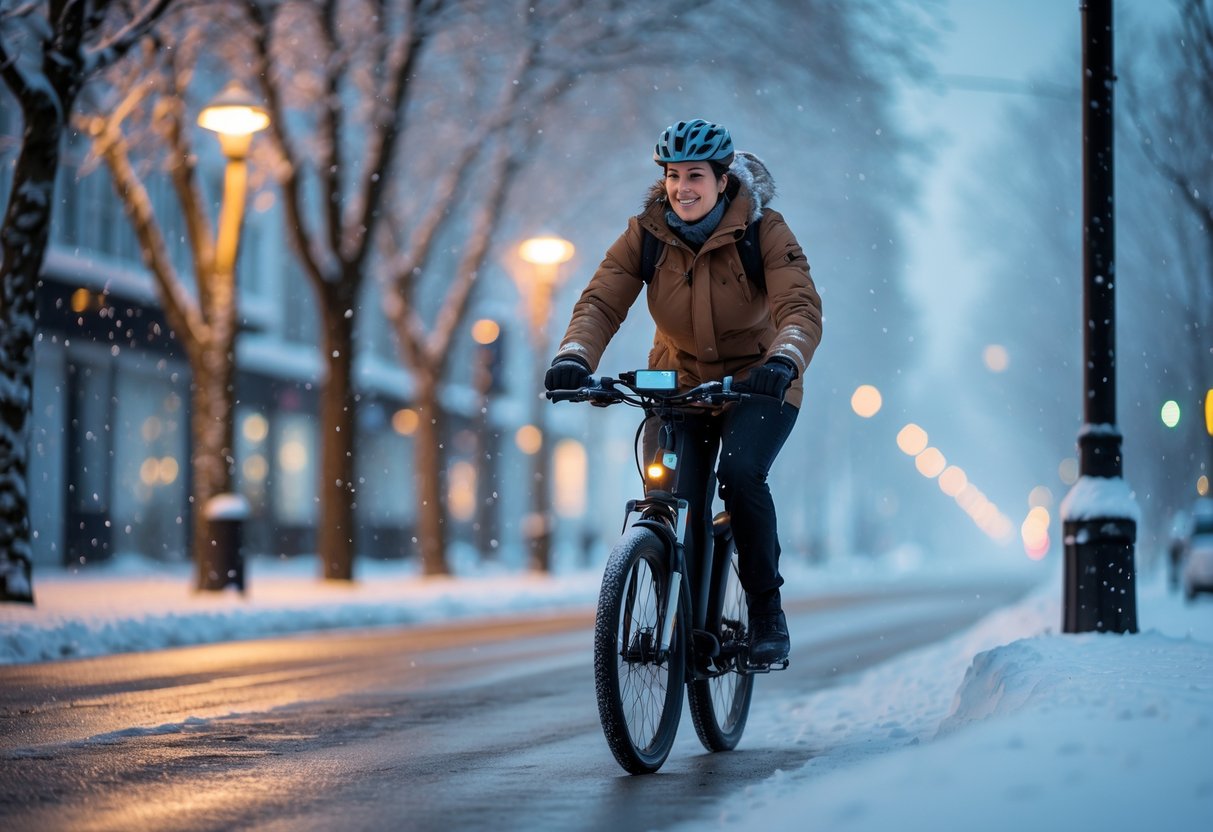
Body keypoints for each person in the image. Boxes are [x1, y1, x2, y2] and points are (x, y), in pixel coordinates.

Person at [544, 118, 823, 665]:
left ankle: (767, 611)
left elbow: (800, 307)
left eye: (695, 175)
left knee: (741, 475)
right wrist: (575, 356)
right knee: (671, 494)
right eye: (673, 176)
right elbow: (602, 300)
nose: (682, 188)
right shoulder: (646, 234)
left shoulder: (765, 231)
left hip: (759, 386)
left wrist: (785, 358)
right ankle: (681, 612)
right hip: (683, 387)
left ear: (723, 181)